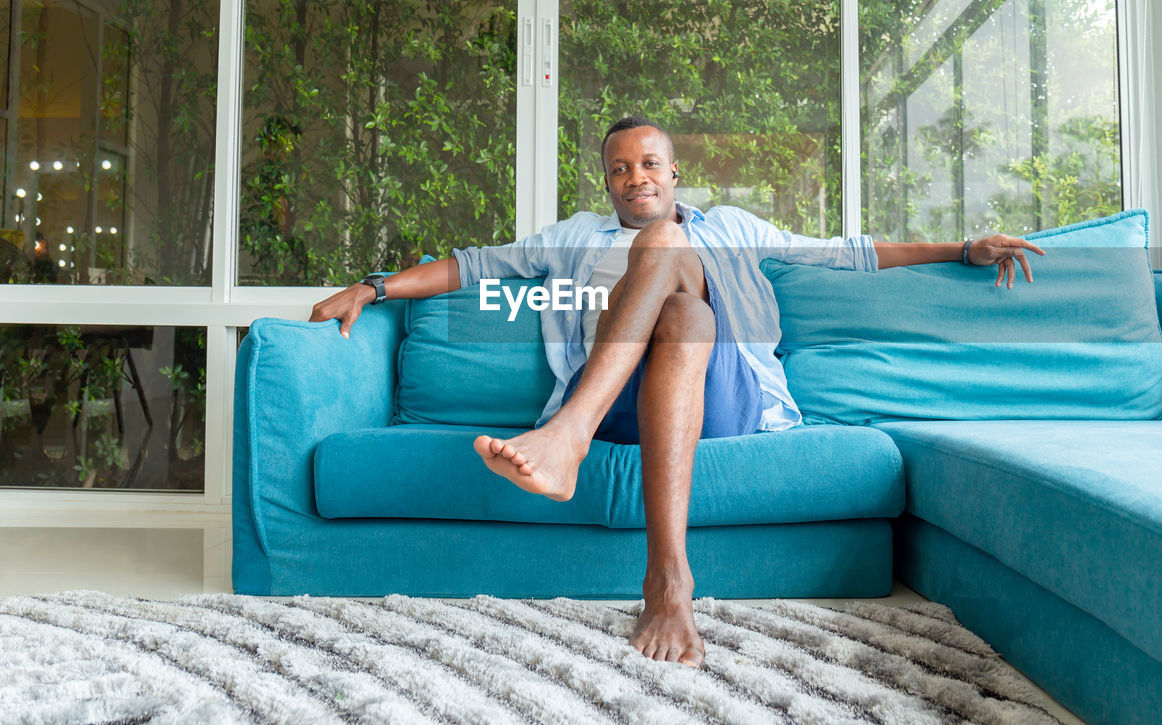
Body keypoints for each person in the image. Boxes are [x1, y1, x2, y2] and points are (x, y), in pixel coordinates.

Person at [310, 115, 1045, 668]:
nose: (638, 178)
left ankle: (595, 478)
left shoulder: (731, 227)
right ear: (607, 181)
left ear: (673, 169)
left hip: (717, 400)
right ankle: (658, 572)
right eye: (622, 168)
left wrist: (959, 248)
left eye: (650, 163)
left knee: (671, 265)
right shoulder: (572, 238)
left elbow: (848, 253)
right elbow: (469, 266)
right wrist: (374, 288)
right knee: (678, 301)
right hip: (626, 406)